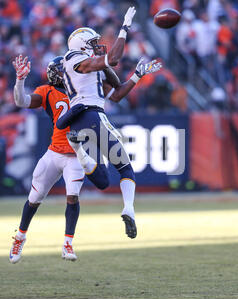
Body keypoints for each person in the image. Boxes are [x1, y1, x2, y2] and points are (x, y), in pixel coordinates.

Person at [56, 7, 162, 240]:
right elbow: (112, 58)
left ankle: (79, 150)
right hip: (92, 116)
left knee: (102, 181)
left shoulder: (94, 66)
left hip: (79, 124)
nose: (97, 46)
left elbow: (115, 94)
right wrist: (124, 27)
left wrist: (137, 75)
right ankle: (129, 208)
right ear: (81, 45)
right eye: (92, 43)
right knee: (125, 167)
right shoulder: (73, 59)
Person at [9, 55, 85, 263]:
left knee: (73, 196)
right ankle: (20, 236)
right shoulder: (46, 91)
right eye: (65, 69)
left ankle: (68, 243)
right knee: (34, 198)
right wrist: (20, 80)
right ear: (56, 73)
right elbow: (21, 101)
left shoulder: (82, 90)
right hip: (54, 152)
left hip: (76, 154)